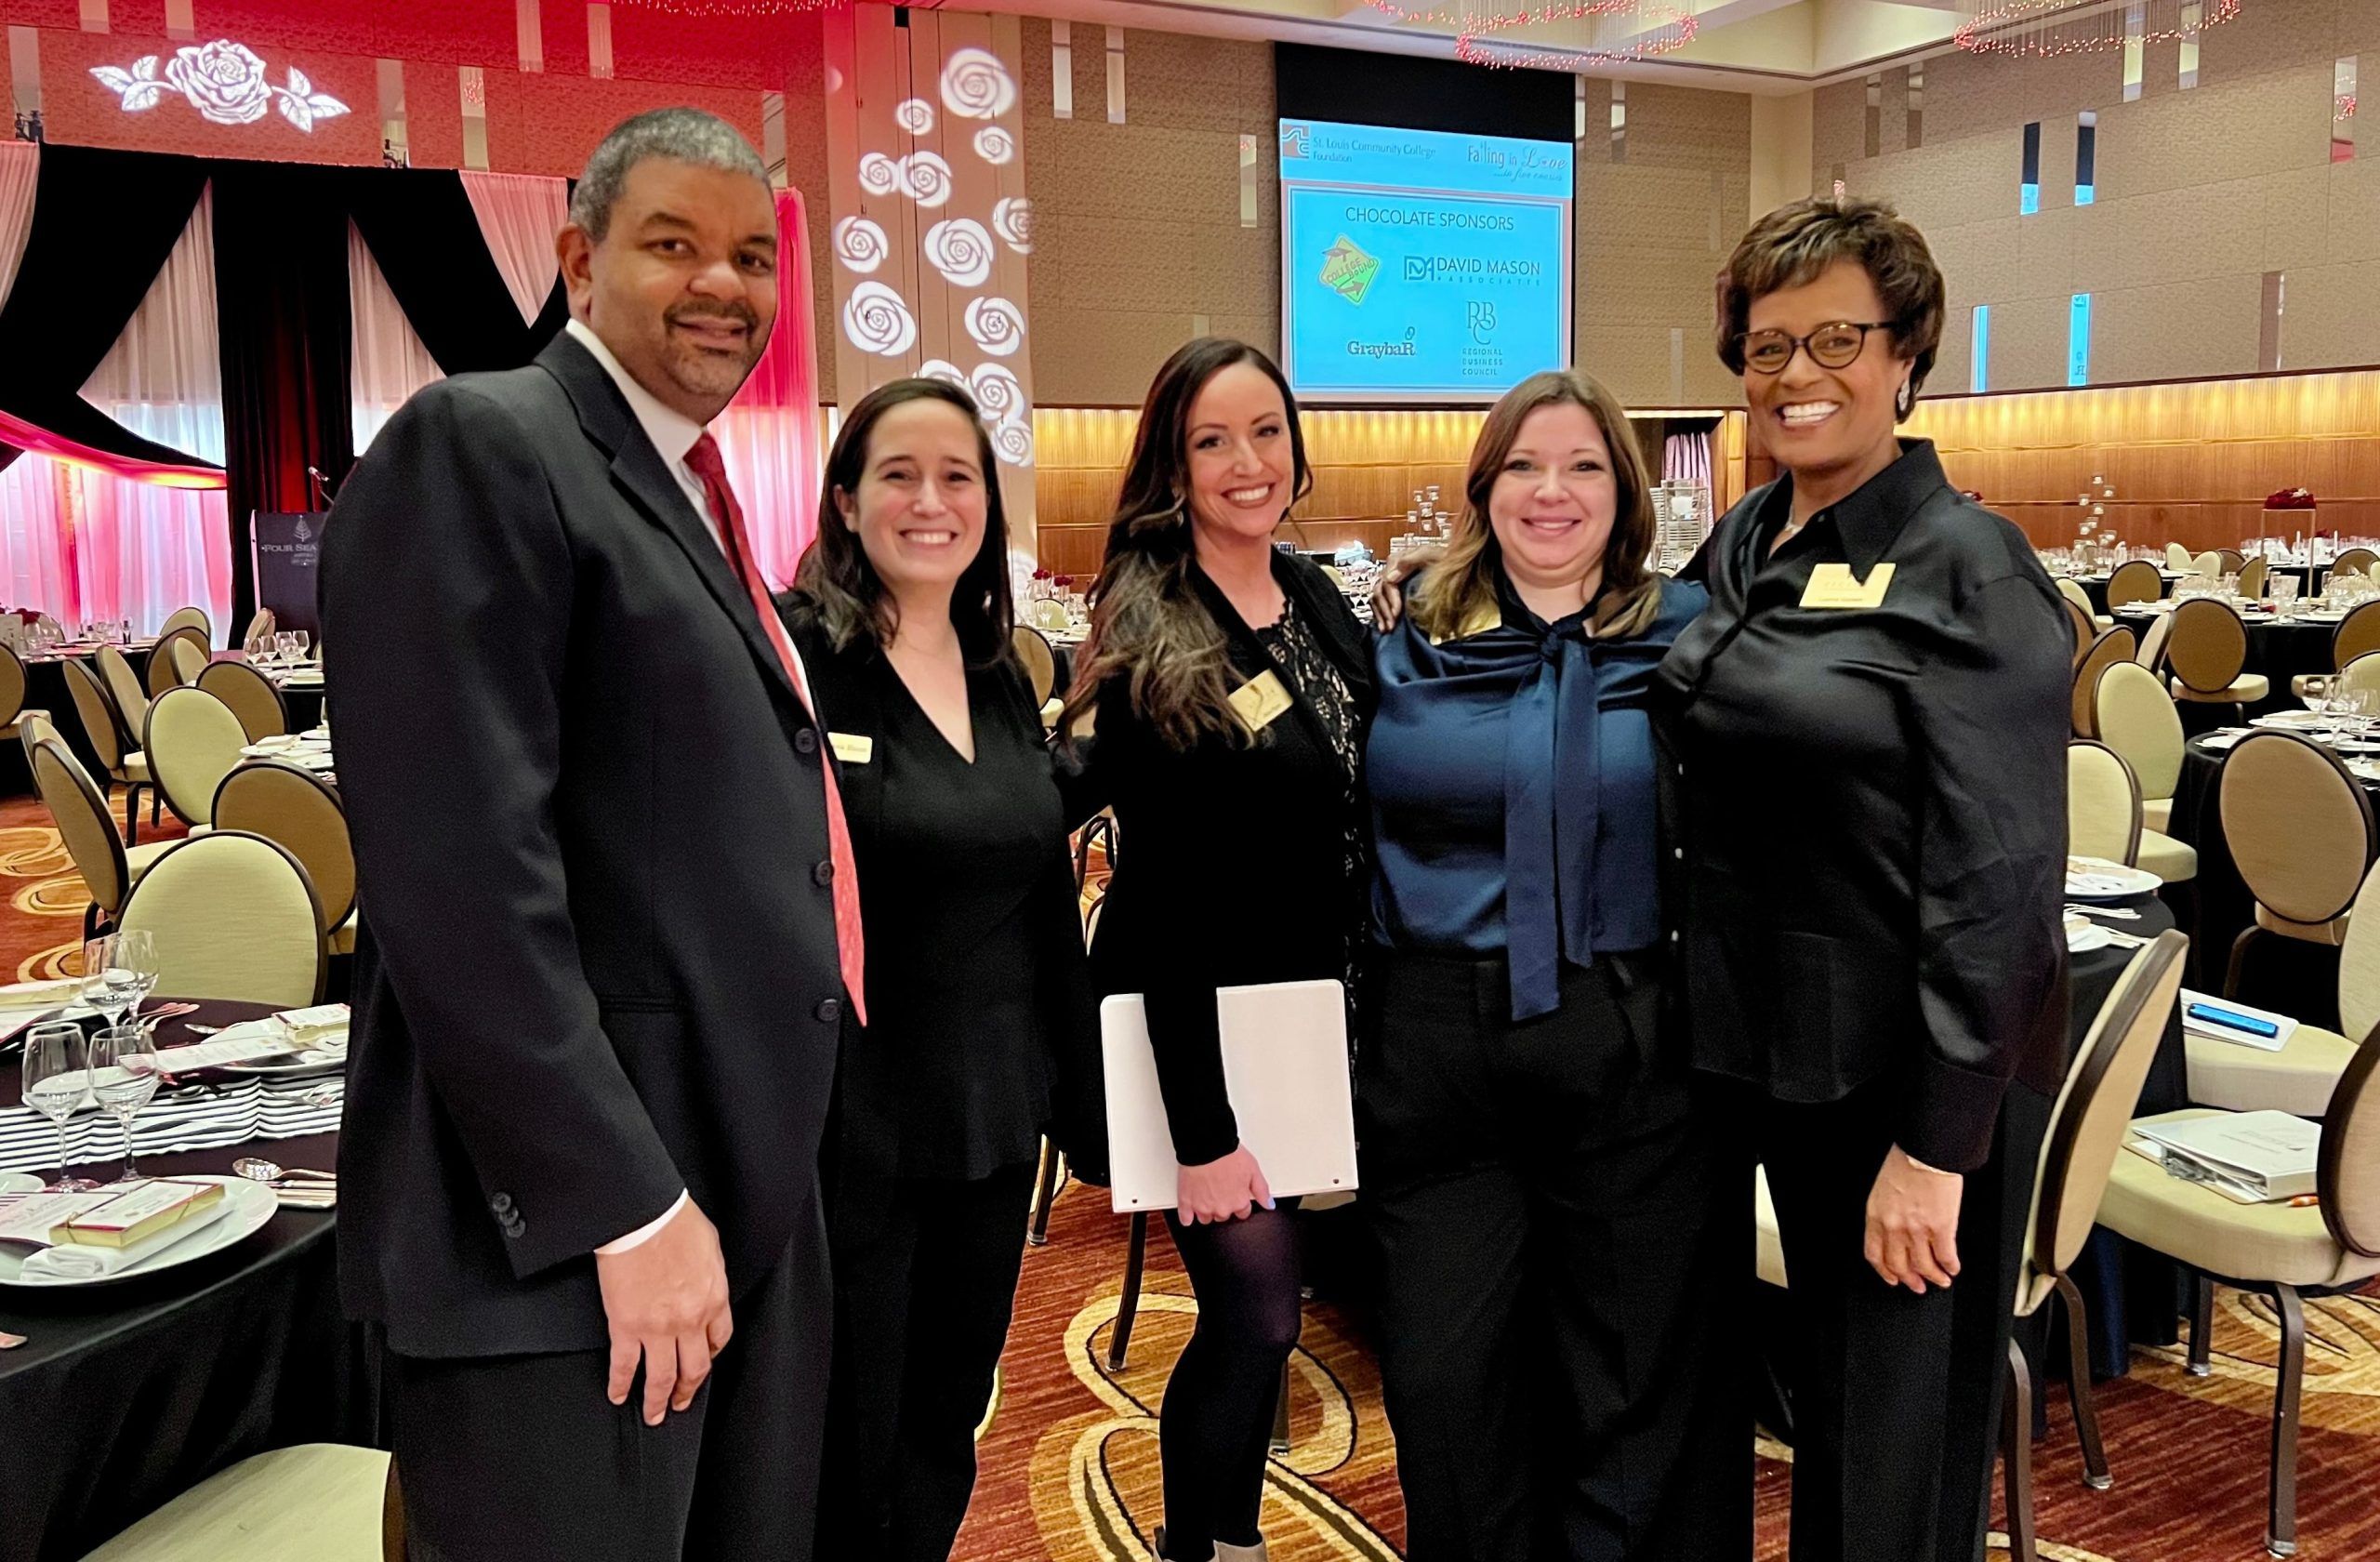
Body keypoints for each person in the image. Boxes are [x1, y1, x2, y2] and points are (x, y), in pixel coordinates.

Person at [322, 109, 856, 1560]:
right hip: (571, 1242)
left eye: (753, 256)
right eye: (674, 244)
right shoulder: (485, 442)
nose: (724, 286)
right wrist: (625, 1204)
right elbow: (459, 884)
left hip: (724, 1182)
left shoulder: (685, 486)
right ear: (576, 258)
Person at [1650, 195, 2069, 1562]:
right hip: (1747, 1040)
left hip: (1897, 1079)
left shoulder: (1973, 567)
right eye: (1767, 348)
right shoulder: (1747, 538)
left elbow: (2002, 881)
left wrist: (1939, 1146)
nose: (1797, 376)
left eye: (1837, 338)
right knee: (1783, 1403)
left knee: (1888, 1453)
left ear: (1905, 356)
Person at [1362, 368, 1738, 1561]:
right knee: (1444, 1381)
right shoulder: (1404, 632)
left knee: (1626, 1386)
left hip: (1623, 1039)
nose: (1551, 490)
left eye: (1581, 465)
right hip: (1435, 1047)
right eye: (1524, 464)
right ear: (1485, 485)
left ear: (1623, 492)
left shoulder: (1691, 638)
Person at [1058, 338, 1373, 1562]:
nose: (1247, 463)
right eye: (1211, 440)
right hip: (1198, 1034)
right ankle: (1208, 1546)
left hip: (1310, 1024)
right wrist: (1205, 1131)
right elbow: (1171, 892)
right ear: (1173, 468)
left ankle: (1230, 1540)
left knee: (1275, 1320)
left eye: (1266, 432)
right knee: (1252, 1315)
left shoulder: (1320, 599)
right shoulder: (1154, 630)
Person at [780, 378, 1102, 1561]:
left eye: (957, 476)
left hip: (989, 1117)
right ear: (846, 500)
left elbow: (1031, 886)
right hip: (847, 1122)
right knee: (842, 1431)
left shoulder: (996, 667)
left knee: (945, 1419)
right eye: (899, 474)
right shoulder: (798, 658)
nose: (930, 501)